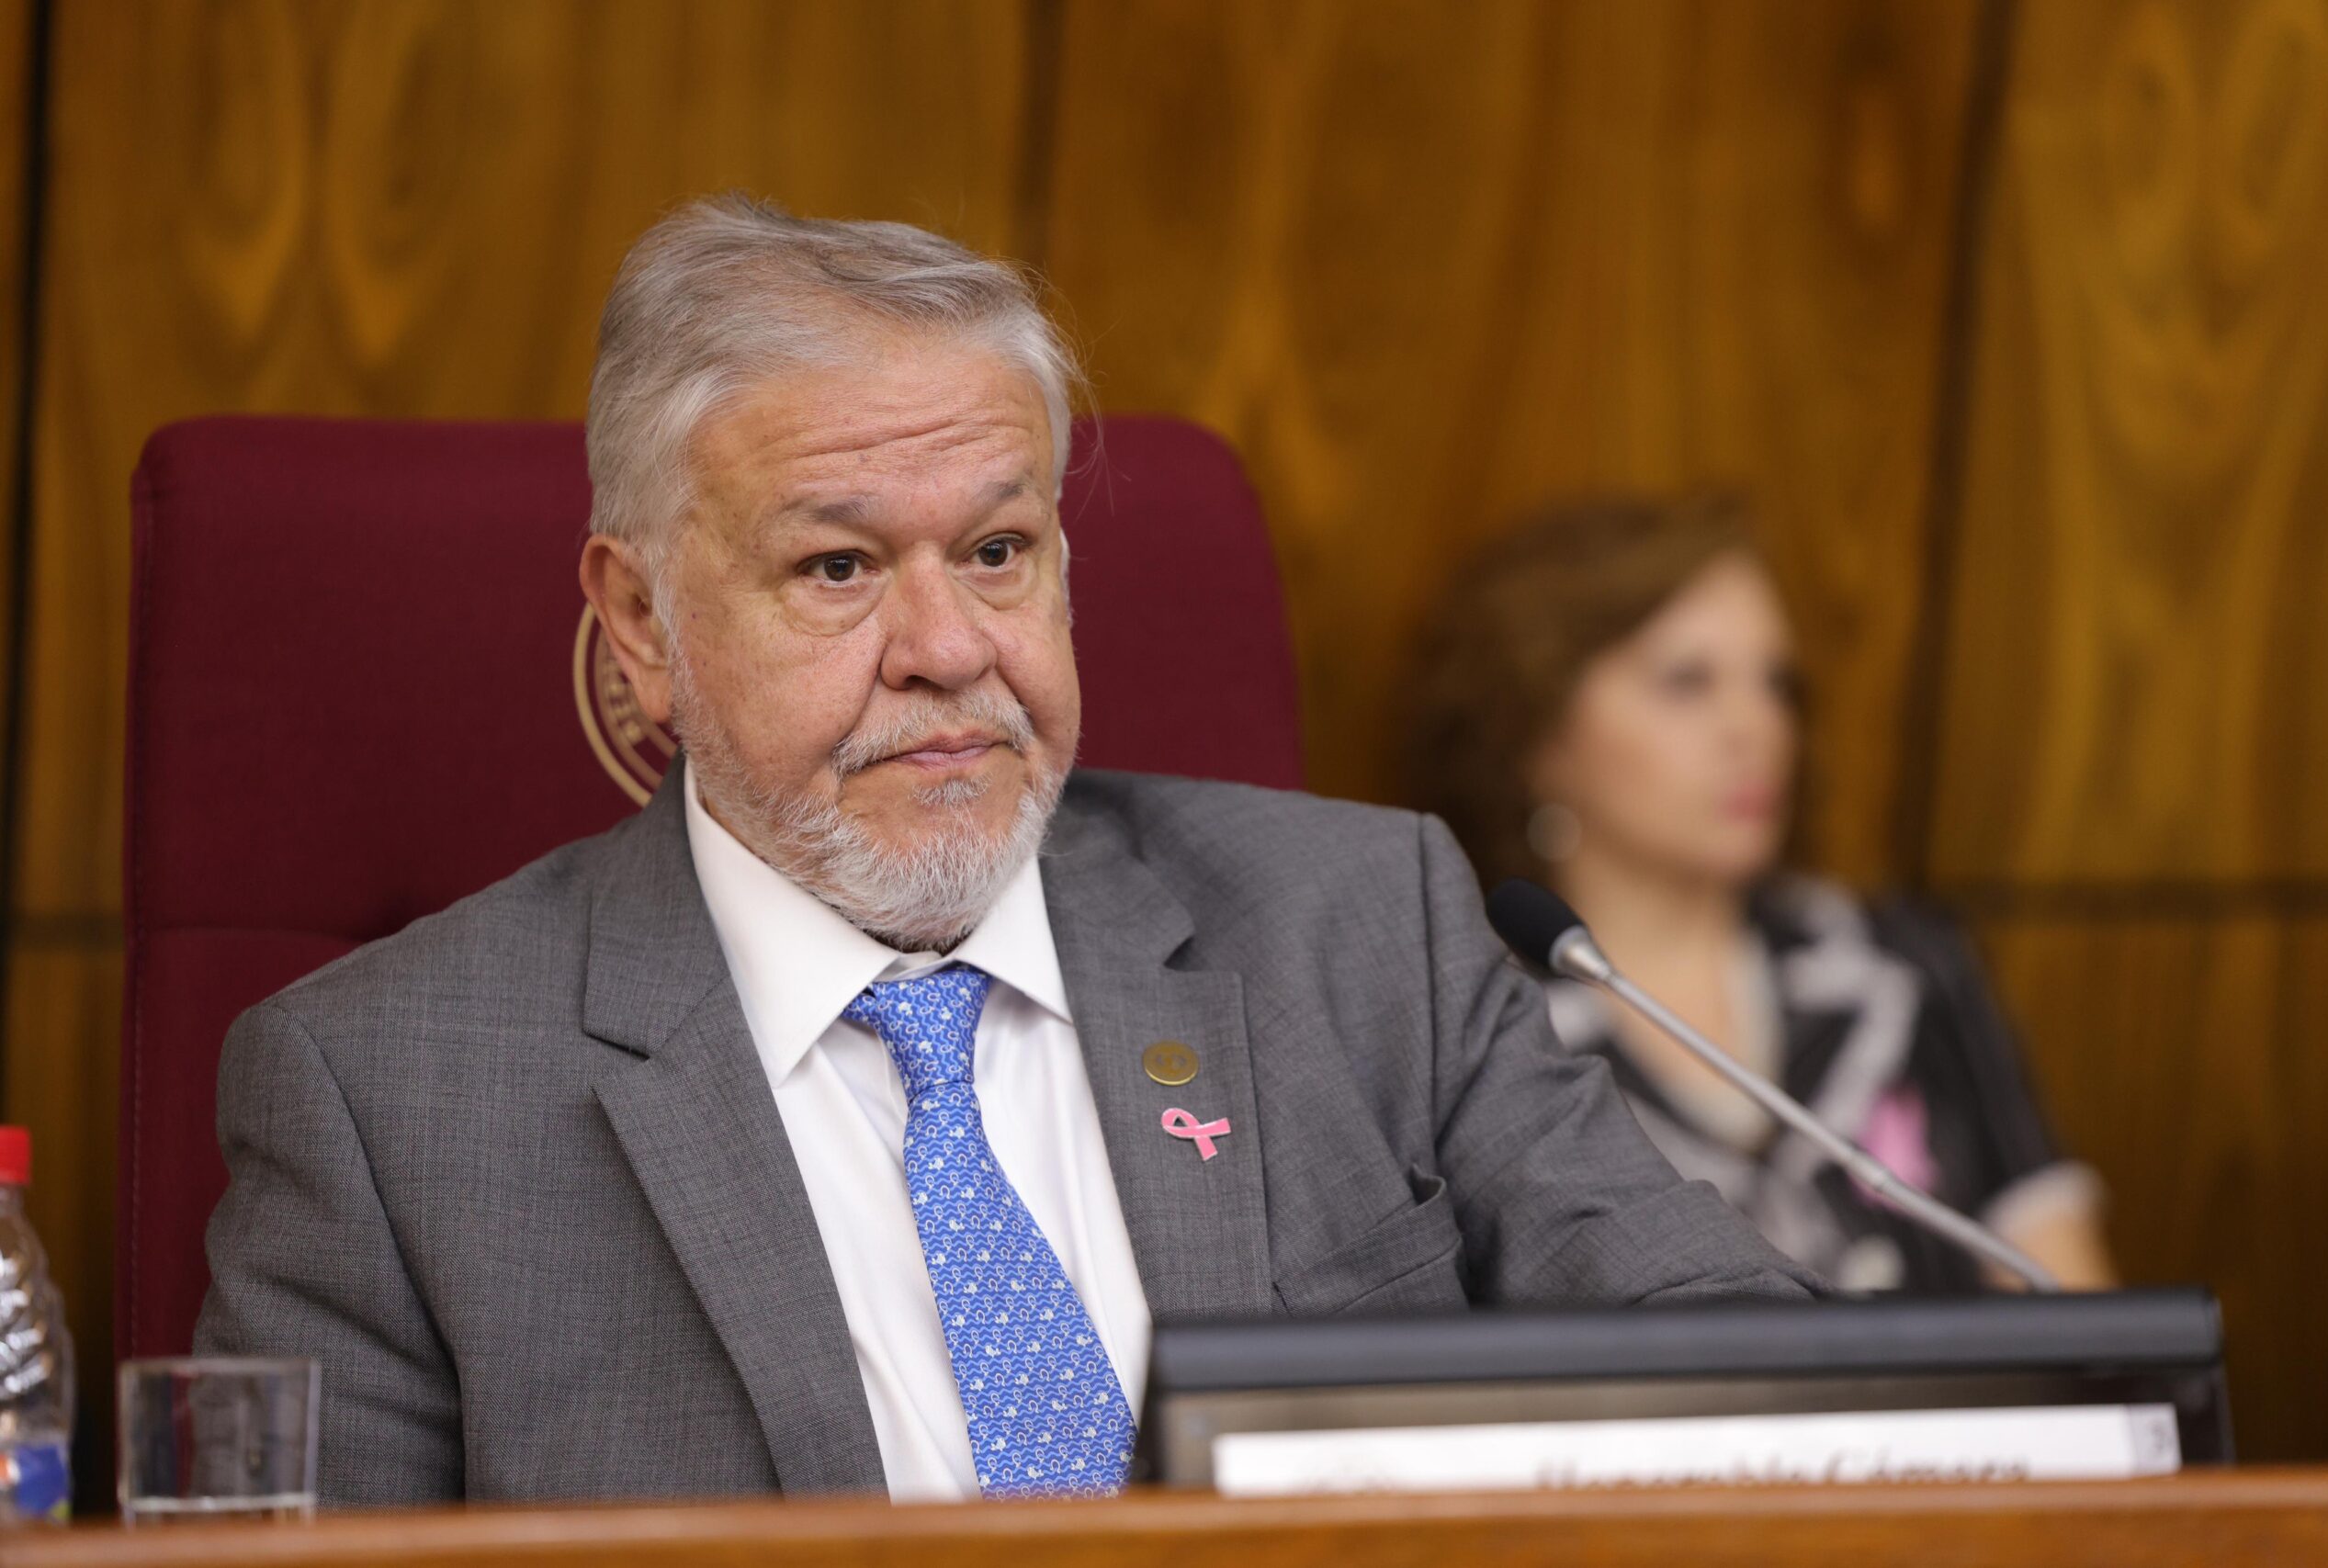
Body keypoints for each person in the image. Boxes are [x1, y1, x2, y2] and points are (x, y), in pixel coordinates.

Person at [195, 197, 1816, 1507]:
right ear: (639, 627)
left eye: (996, 551)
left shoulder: (1358, 927)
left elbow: (1745, 1386)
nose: (949, 647)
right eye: (839, 566)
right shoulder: (388, 1096)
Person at [1403, 496, 2115, 1296]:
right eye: (1688, 681)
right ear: (1535, 733)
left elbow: (2072, 1310)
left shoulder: (1900, 960)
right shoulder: (1470, 1033)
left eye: (1776, 683)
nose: (1756, 725)